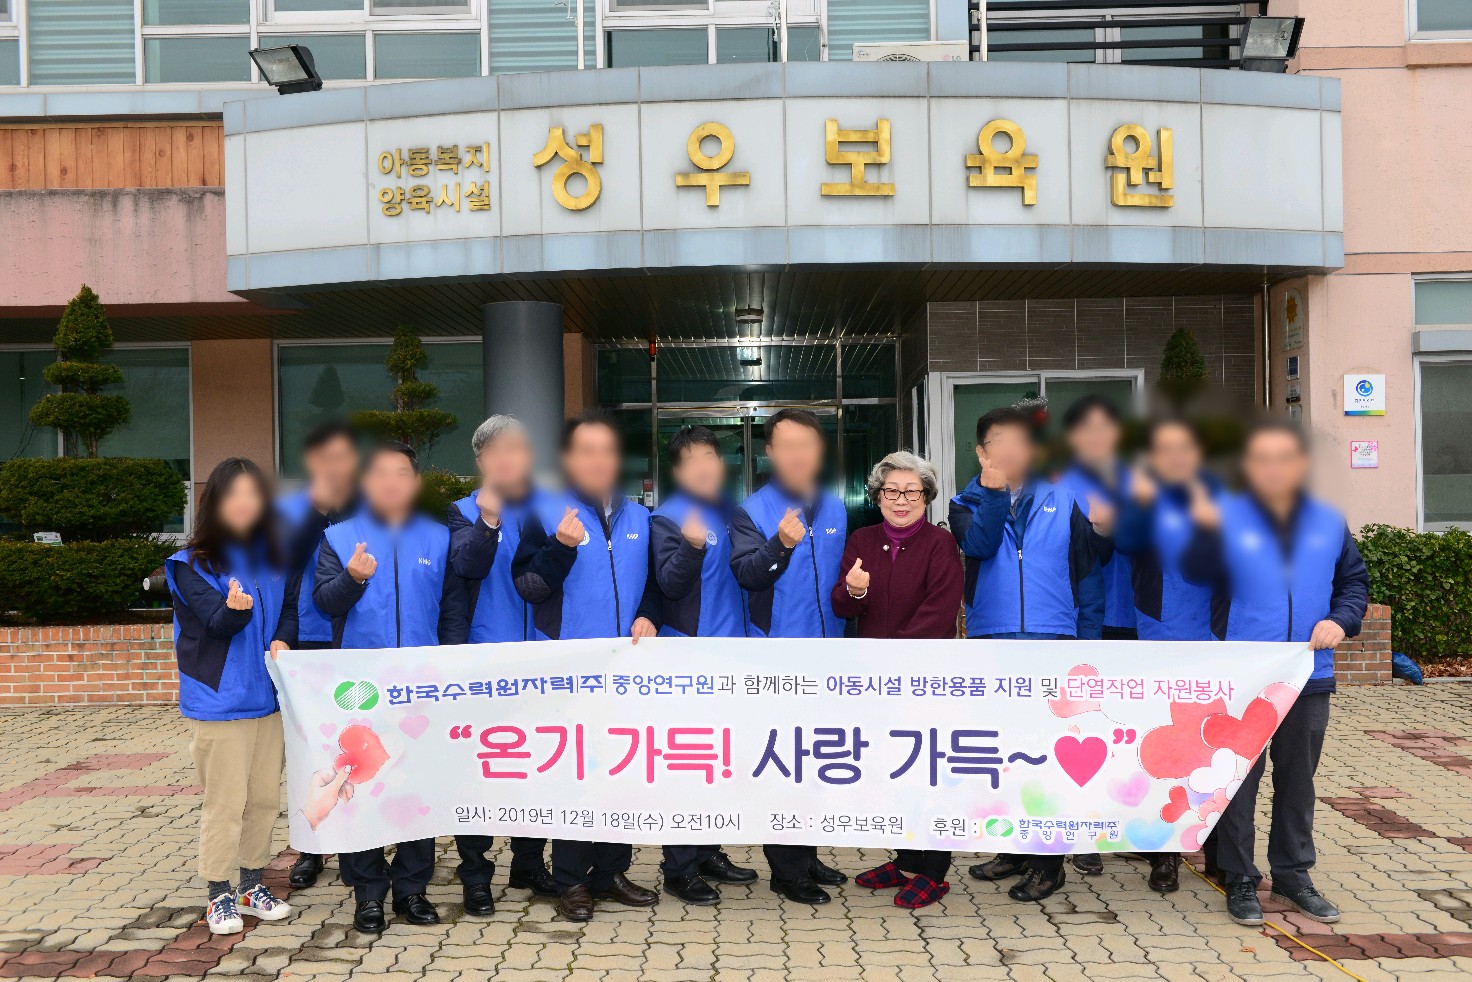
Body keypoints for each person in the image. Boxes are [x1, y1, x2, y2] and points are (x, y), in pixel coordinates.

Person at [1182, 419, 1368, 928]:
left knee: (1297, 779)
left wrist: (1340, 620)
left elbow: (1353, 584)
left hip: (1307, 673)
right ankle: (1239, 876)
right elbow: (1194, 577)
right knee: (1237, 779)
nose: (1273, 469)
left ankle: (1292, 874)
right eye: (1262, 459)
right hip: (1242, 676)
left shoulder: (1328, 522)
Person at [949, 406, 1114, 902]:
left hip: (1054, 642)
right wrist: (994, 493)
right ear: (981, 451)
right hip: (993, 642)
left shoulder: (1066, 499)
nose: (1011, 449)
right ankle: (1014, 849)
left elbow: (1090, 574)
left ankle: (1048, 864)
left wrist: (1087, 649)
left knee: (1047, 756)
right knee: (1005, 754)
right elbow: (979, 546)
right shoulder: (965, 502)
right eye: (998, 440)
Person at [511, 411, 662, 922]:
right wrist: (561, 547)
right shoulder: (545, 513)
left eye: (607, 451)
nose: (598, 461)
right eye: (586, 451)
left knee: (620, 767)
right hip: (568, 671)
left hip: (627, 671)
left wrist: (649, 614)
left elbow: (657, 584)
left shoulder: (641, 517)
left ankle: (611, 871)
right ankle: (571, 878)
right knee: (575, 772)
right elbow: (529, 587)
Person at [314, 440, 464, 934]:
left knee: (416, 787)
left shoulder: (439, 538)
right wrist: (352, 579)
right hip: (359, 689)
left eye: (401, 473)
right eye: (380, 473)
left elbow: (453, 610)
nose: (391, 482)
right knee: (361, 788)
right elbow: (324, 603)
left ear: (415, 483)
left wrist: (448, 669)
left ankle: (412, 889)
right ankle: (368, 894)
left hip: (421, 687)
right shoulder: (339, 538)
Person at [165, 458, 298, 935]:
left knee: (263, 800)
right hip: (221, 703)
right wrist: (236, 610)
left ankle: (250, 885)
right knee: (226, 803)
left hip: (269, 699)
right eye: (233, 494)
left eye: (253, 494)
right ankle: (218, 893)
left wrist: (283, 637)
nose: (244, 503)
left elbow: (290, 610)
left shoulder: (274, 556)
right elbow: (216, 623)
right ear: (216, 502)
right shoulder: (190, 564)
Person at [730, 408, 849, 905]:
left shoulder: (836, 506)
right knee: (784, 765)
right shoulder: (751, 511)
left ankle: (808, 854)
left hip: (829, 655)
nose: (799, 455)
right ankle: (786, 871)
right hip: (776, 658)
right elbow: (746, 574)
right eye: (788, 446)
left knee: (817, 760)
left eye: (808, 445)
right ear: (770, 453)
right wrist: (780, 543)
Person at [834, 452, 963, 909]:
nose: (901, 500)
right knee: (893, 769)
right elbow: (843, 605)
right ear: (877, 496)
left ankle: (934, 871)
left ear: (926, 497)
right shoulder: (862, 539)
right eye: (891, 491)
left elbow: (940, 610)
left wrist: (896, 657)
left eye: (912, 491)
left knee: (928, 770)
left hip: (926, 678)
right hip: (876, 680)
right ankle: (906, 861)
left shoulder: (940, 544)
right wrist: (856, 590)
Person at [445, 415, 559, 901]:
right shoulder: (459, 512)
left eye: (518, 449)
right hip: (482, 664)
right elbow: (467, 565)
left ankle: (528, 864)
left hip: (540, 663)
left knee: (535, 764)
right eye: (498, 451)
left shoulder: (547, 510)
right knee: (480, 769)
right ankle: (475, 873)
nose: (509, 459)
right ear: (481, 460)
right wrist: (488, 520)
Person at [648, 425, 759, 905]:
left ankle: (709, 850)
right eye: (693, 460)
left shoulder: (732, 513)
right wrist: (691, 547)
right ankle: (679, 867)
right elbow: (668, 585)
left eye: (710, 457)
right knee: (688, 763)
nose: (704, 467)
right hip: (688, 656)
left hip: (732, 654)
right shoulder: (666, 518)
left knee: (719, 760)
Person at [1112, 417, 1223, 894]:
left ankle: (1222, 855)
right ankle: (1165, 855)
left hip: (1219, 644)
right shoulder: (1145, 498)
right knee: (1168, 751)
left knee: (1217, 750)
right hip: (1159, 639)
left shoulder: (1223, 498)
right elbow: (1125, 542)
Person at [275, 420, 360, 892]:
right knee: (310, 748)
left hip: (354, 644)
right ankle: (311, 847)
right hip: (306, 642)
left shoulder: (365, 508)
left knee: (353, 746)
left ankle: (356, 845)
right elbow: (283, 569)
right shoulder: (288, 510)